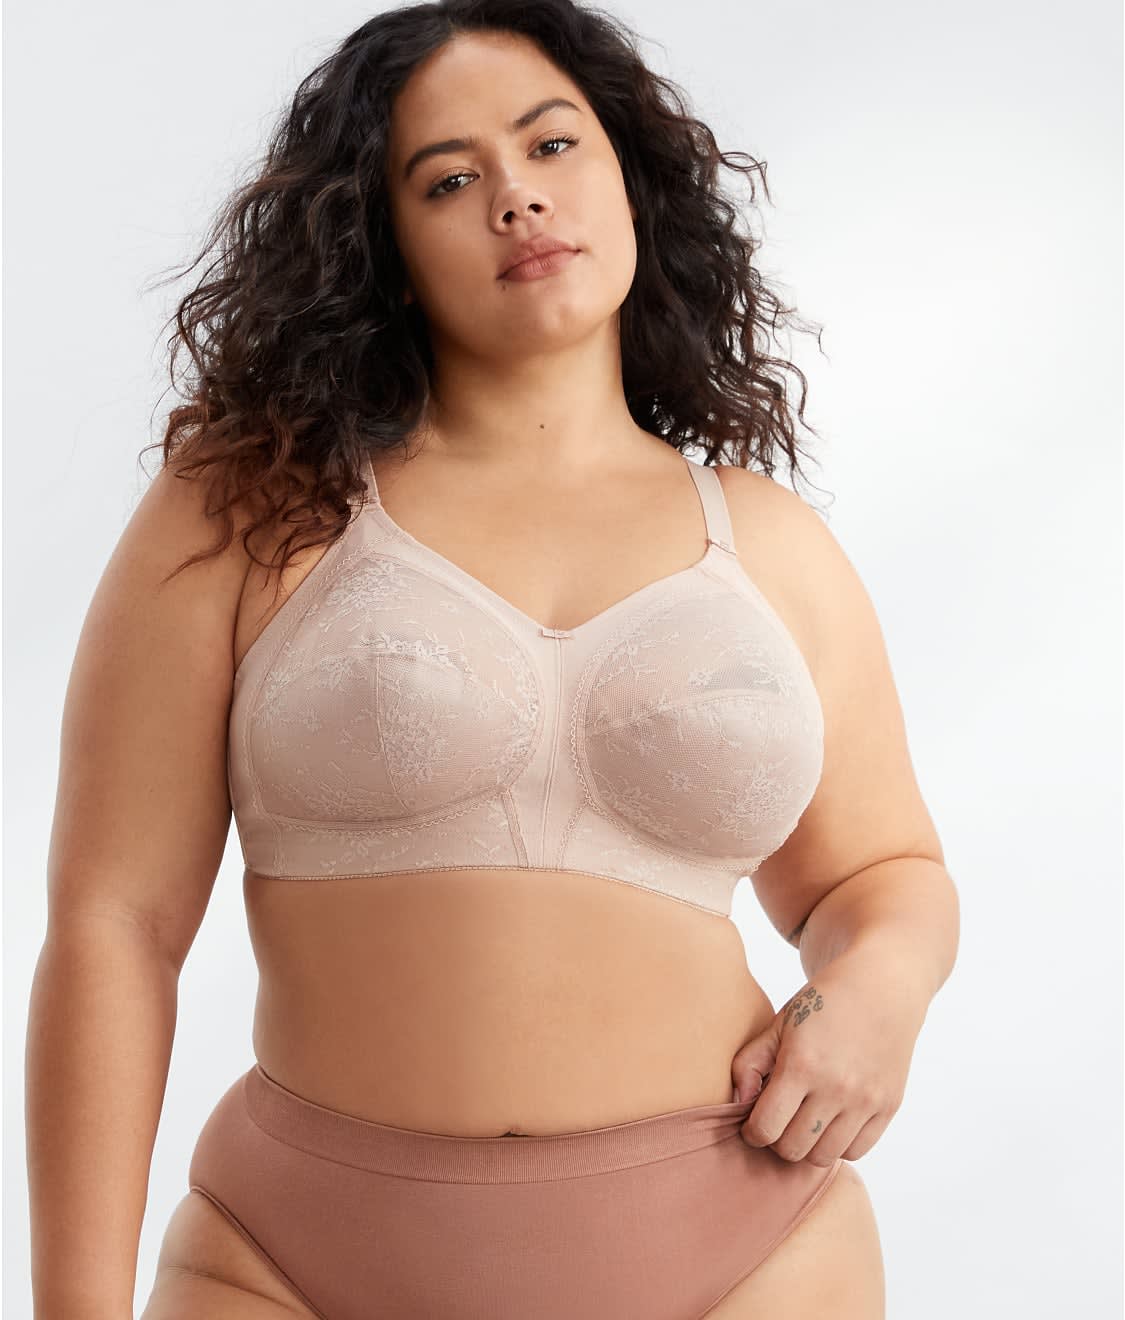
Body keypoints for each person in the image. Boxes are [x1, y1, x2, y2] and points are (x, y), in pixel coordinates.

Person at [26, 2, 960, 1317]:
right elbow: (114, 927)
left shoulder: (770, 546)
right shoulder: (250, 508)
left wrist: (881, 988)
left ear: (629, 181)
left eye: (551, 145)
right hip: (290, 1258)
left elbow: (882, 875)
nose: (516, 196)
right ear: (387, 249)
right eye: (448, 179)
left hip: (747, 1250)